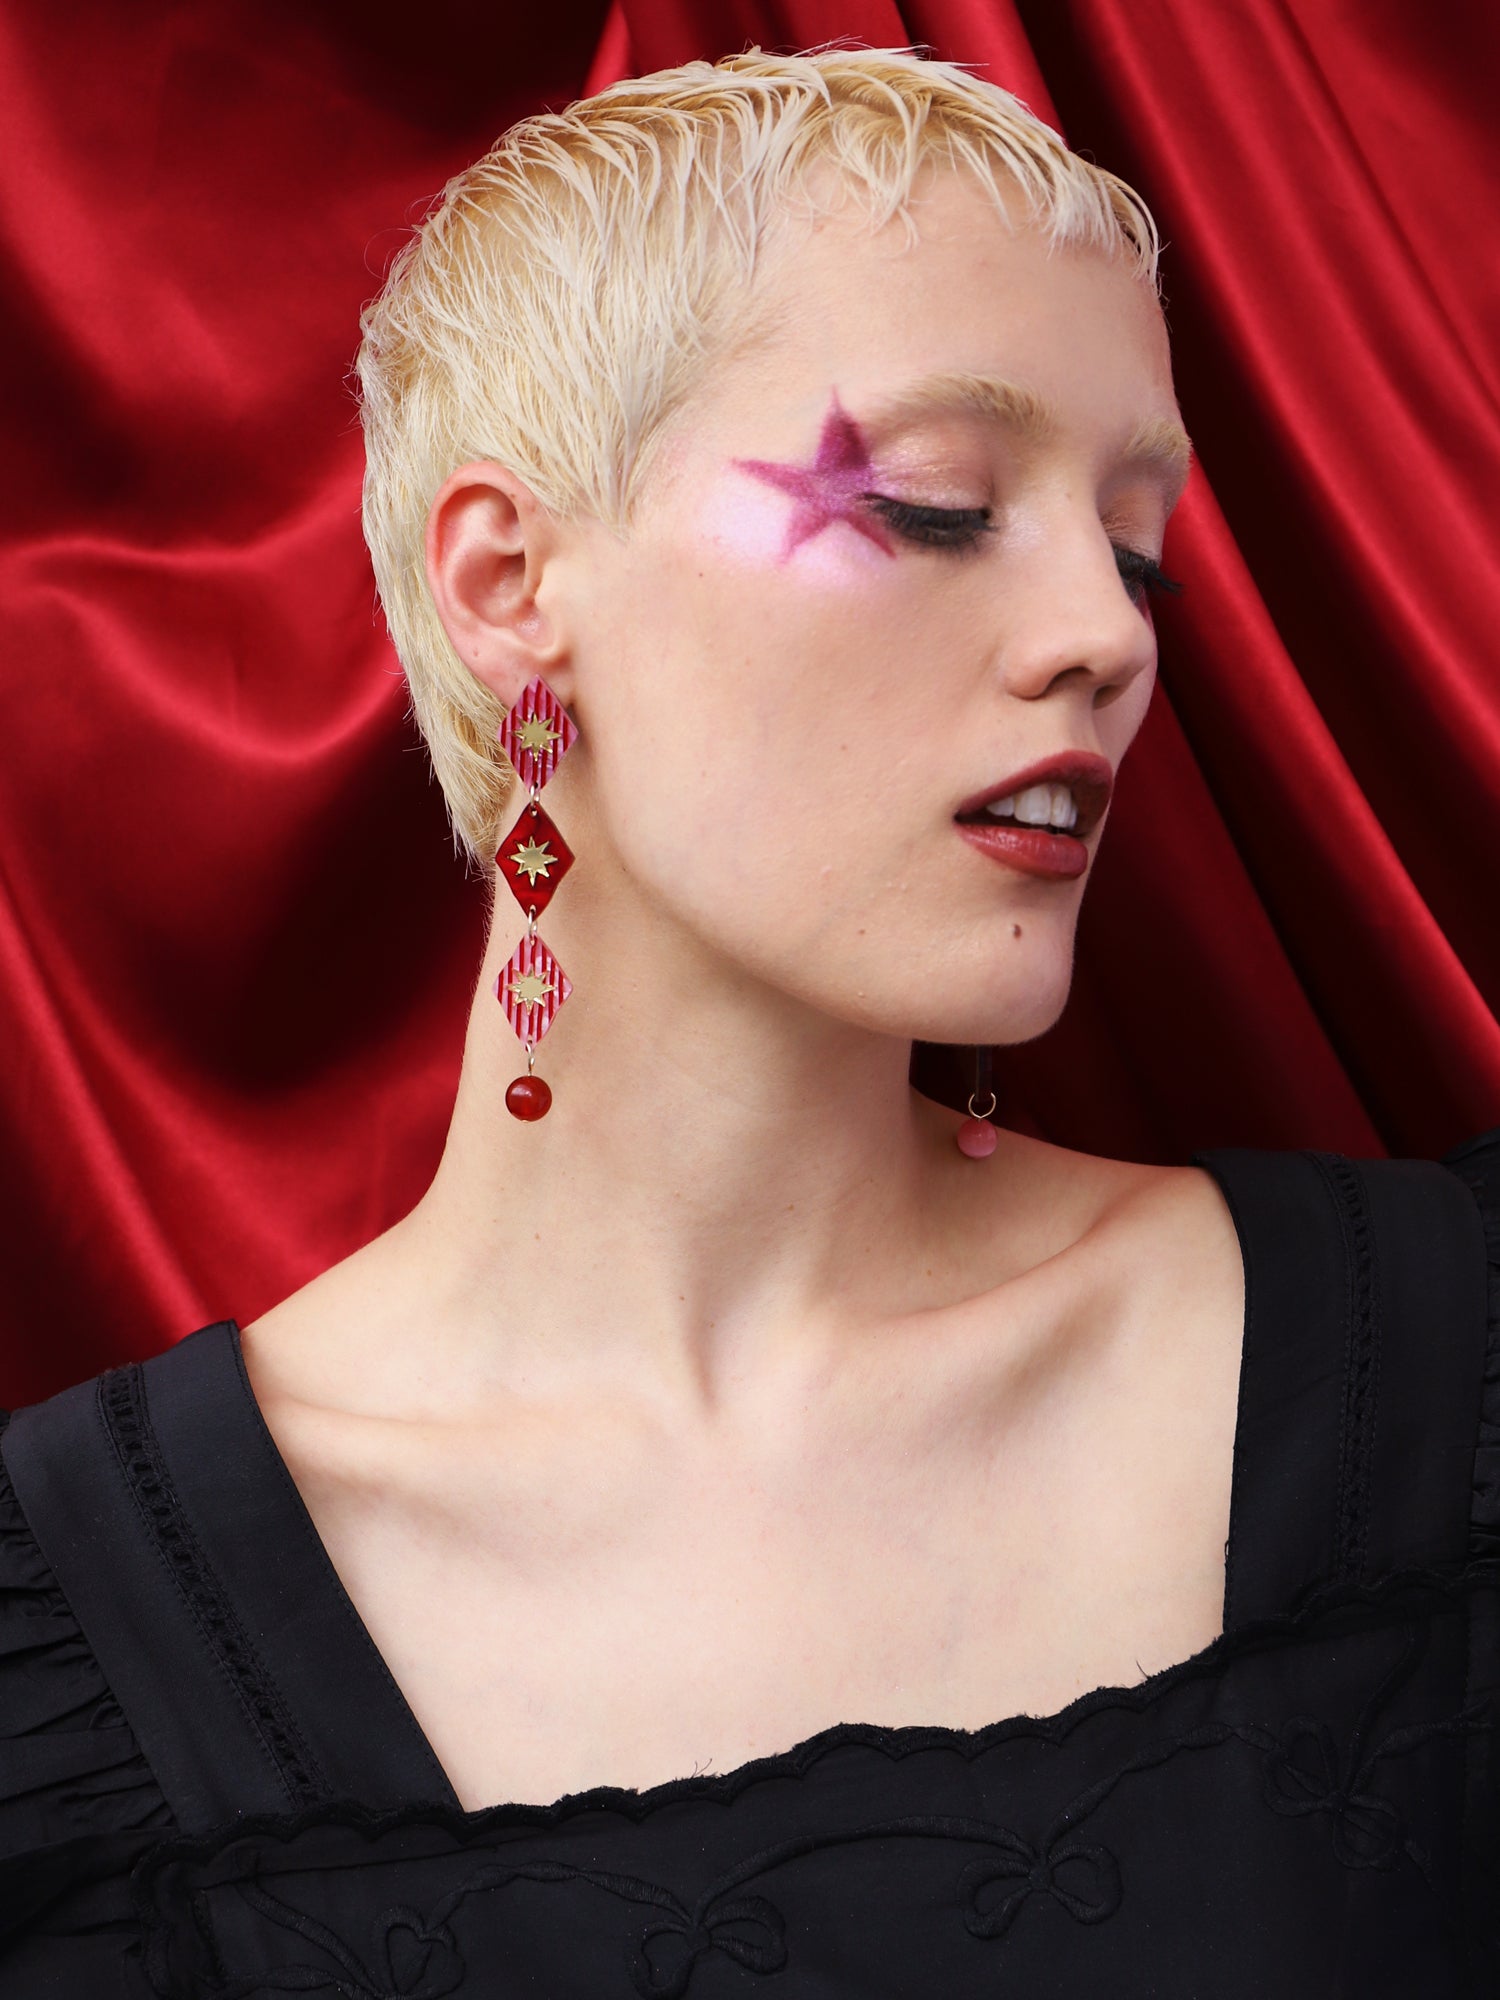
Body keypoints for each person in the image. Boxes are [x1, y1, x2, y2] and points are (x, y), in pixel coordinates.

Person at [1, 42, 1495, 1996]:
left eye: (1137, 540)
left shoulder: (1446, 1363)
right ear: (510, 582)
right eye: (938, 506)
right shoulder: (60, 1665)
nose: (1109, 633)